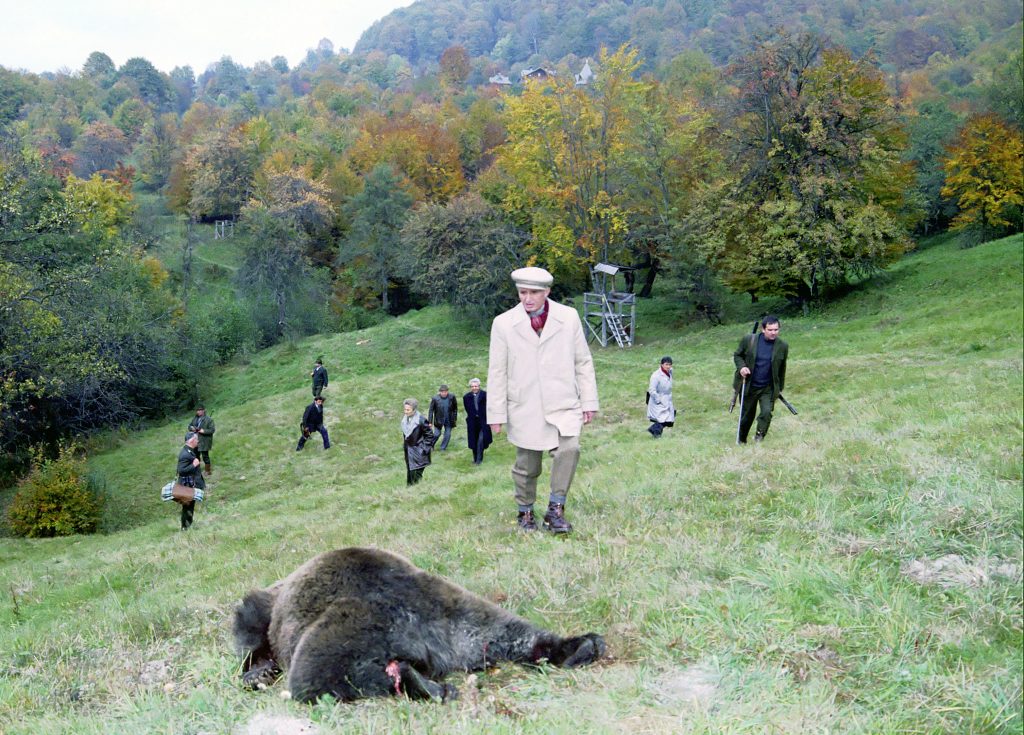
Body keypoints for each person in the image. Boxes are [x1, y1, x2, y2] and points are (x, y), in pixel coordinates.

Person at [487, 266, 599, 534]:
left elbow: (582, 360)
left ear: (547, 292)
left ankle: (555, 510)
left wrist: (589, 401)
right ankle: (525, 512)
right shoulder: (503, 323)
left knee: (569, 450)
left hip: (563, 403)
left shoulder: (568, 317)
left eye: (534, 292)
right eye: (522, 292)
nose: (527, 298)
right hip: (525, 406)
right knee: (527, 466)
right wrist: (496, 414)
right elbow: (497, 370)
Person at [733, 315, 789, 444]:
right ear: (763, 329)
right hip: (749, 385)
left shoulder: (782, 346)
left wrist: (779, 388)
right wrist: (742, 367)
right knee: (747, 416)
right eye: (770, 330)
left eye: (776, 330)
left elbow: (782, 367)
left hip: (768, 387)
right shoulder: (749, 340)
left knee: (766, 412)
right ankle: (741, 440)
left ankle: (759, 436)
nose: (773, 332)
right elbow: (737, 355)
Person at [401, 398, 437, 485]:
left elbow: (430, 436)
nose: (406, 412)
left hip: (419, 452)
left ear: (414, 410)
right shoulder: (405, 420)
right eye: (405, 409)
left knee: (416, 475)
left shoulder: (421, 420)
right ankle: (409, 491)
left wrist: (423, 449)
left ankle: (417, 492)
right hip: (409, 451)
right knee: (410, 473)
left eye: (408, 410)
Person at [176, 432, 205, 530]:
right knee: (187, 507)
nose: (198, 441)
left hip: (189, 484)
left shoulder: (189, 450)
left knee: (190, 506)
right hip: (187, 485)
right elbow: (181, 470)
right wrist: (194, 465)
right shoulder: (185, 454)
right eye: (196, 439)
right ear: (192, 440)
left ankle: (187, 526)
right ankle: (185, 528)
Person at [463, 378, 493, 465]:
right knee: (474, 440)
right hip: (473, 422)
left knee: (481, 440)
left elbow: (489, 408)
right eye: (472, 386)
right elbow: (467, 409)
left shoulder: (485, 395)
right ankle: (475, 458)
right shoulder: (466, 397)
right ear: (470, 387)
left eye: (476, 386)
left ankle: (479, 460)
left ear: (479, 386)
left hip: (483, 421)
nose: (474, 388)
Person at [646, 357, 675, 438]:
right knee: (662, 418)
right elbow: (651, 390)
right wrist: (658, 400)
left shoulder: (670, 372)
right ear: (661, 365)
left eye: (669, 364)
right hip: (658, 399)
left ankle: (655, 431)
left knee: (669, 419)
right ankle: (656, 433)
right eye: (666, 364)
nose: (668, 366)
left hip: (667, 399)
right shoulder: (656, 376)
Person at [427, 384, 458, 451]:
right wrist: (430, 422)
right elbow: (431, 410)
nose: (444, 393)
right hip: (438, 420)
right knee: (436, 434)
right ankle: (430, 445)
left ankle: (442, 448)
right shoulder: (435, 399)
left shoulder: (452, 397)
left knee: (447, 435)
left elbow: (455, 408)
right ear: (440, 392)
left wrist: (454, 418)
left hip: (449, 420)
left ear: (447, 391)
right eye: (442, 392)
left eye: (445, 391)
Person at [187, 404, 216, 473]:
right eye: (197, 410)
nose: (198, 412)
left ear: (204, 410)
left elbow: (212, 430)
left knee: (205, 456)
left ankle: (208, 471)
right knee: (195, 455)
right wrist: (192, 428)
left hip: (204, 440)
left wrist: (203, 431)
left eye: (200, 410)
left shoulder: (209, 420)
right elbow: (189, 426)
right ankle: (197, 469)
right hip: (195, 440)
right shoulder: (195, 419)